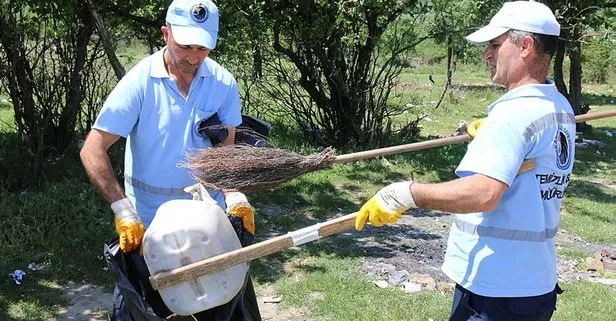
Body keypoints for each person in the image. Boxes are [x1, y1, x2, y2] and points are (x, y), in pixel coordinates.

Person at [354, 2, 574, 321]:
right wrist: (493, 140)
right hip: (533, 284)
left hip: (495, 288)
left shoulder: (514, 114)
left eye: (495, 45)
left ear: (525, 46)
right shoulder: (557, 105)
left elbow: (483, 194)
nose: (486, 55)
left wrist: (405, 194)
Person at [80, 0, 261, 320]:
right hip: (151, 228)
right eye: (185, 46)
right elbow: (92, 148)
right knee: (150, 310)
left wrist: (234, 193)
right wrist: (121, 208)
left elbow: (226, 148)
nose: (193, 57)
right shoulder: (140, 83)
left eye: (202, 49)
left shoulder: (222, 83)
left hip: (209, 223)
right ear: (166, 34)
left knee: (218, 306)